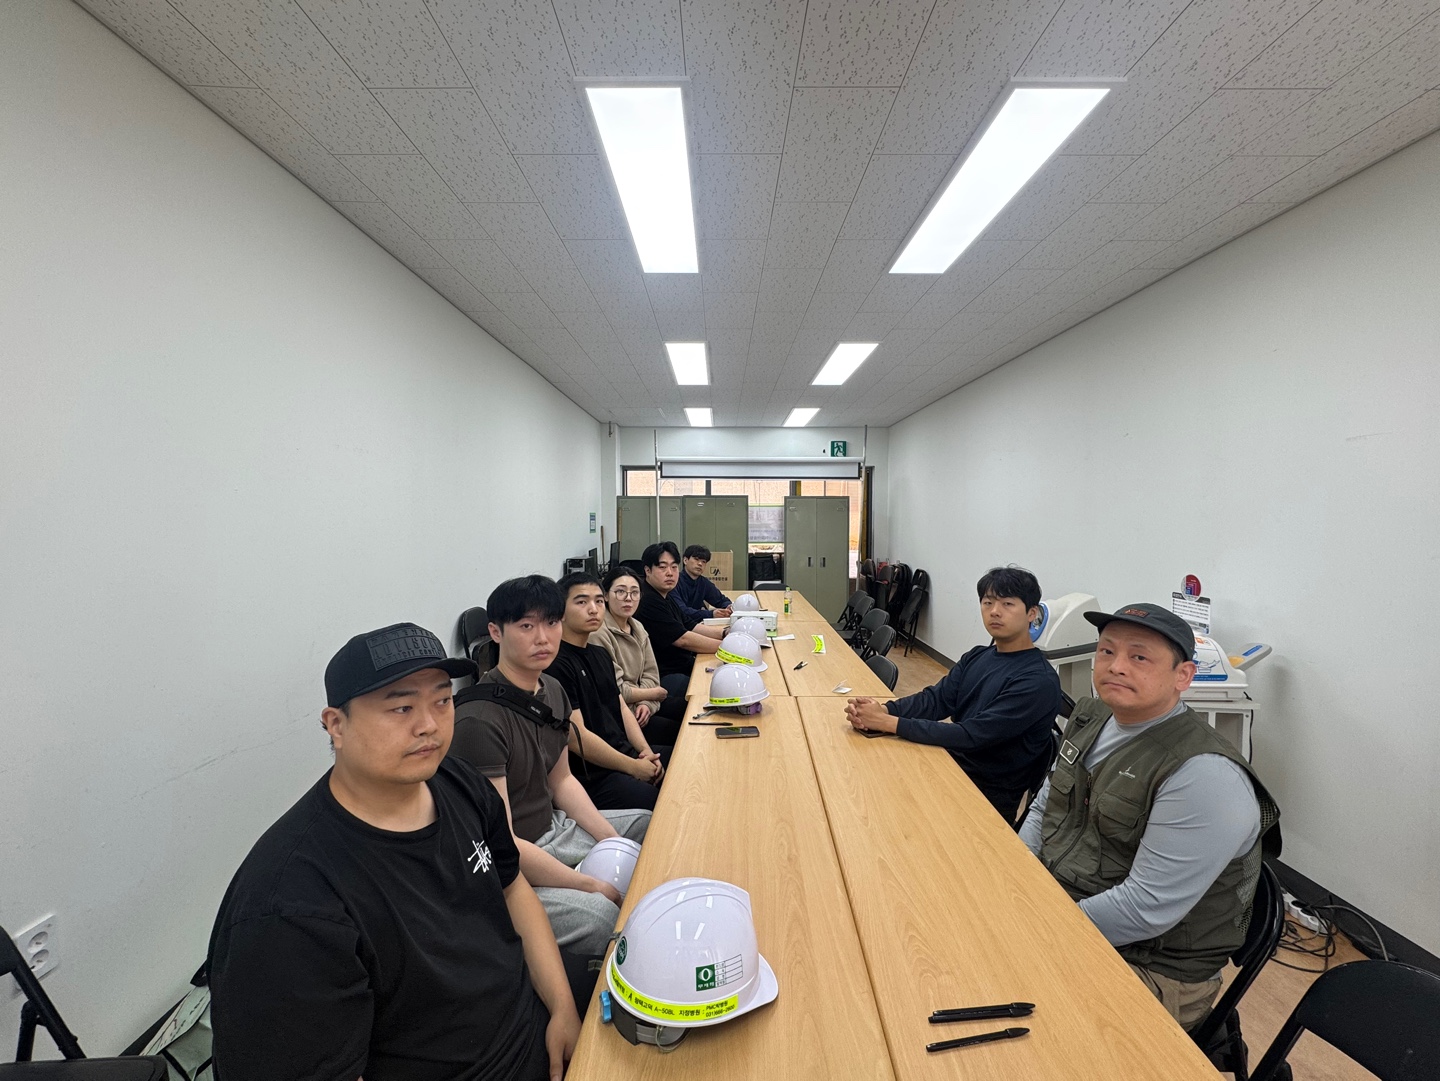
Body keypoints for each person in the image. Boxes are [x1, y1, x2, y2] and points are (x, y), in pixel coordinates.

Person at [208, 622, 580, 1081]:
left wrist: (563, 1007)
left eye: (442, 701)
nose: (429, 726)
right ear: (336, 725)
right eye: (401, 707)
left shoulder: (460, 783)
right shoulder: (290, 903)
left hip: (533, 1025)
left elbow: (512, 887)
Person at [1019, 603, 1280, 1032]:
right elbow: (1047, 804)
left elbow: (1145, 908)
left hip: (1149, 964)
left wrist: (1036, 926)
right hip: (1068, 909)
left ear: (1183, 676)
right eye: (1106, 651)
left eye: (1139, 657)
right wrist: (1016, 880)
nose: (1116, 666)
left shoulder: (1204, 774)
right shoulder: (1092, 716)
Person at [449, 576, 650, 958]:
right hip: (517, 859)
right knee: (601, 916)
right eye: (526, 626)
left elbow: (562, 781)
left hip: (555, 828)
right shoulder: (478, 722)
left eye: (551, 623)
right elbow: (503, 842)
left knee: (644, 824)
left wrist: (613, 842)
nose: (543, 638)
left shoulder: (551, 689)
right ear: (495, 632)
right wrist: (589, 885)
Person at [846, 566, 1062, 826]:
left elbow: (971, 735)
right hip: (945, 766)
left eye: (1007, 604)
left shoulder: (1038, 681)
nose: (995, 611)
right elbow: (936, 700)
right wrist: (885, 710)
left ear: (1032, 613)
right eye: (988, 602)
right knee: (859, 785)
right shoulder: (977, 656)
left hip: (981, 801)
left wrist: (888, 723)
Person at [546, 571, 669, 812]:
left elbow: (621, 707)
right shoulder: (556, 664)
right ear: (561, 611)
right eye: (582, 602)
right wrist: (633, 767)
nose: (593, 609)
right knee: (661, 800)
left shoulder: (599, 654)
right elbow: (577, 738)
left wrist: (645, 752)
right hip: (593, 775)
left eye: (599, 601)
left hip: (624, 753)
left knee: (684, 761)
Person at [590, 564, 688, 745]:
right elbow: (616, 691)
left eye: (634, 593)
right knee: (682, 735)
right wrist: (653, 694)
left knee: (692, 710)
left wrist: (647, 704)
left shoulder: (637, 627)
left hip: (644, 704)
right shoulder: (598, 633)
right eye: (620, 592)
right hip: (622, 715)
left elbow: (651, 674)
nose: (628, 598)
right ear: (606, 596)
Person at [634, 541, 727, 679]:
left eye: (674, 567)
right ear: (648, 570)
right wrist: (729, 647)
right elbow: (683, 639)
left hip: (683, 664)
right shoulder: (648, 600)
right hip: (665, 674)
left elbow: (690, 625)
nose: (670, 573)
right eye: (662, 567)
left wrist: (725, 633)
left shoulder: (665, 595)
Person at [672, 544, 733, 620]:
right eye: (696, 559)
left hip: (696, 623)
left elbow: (721, 600)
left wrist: (728, 607)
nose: (700, 564)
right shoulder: (674, 582)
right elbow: (681, 611)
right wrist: (711, 614)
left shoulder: (704, 583)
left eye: (703, 561)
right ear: (685, 560)